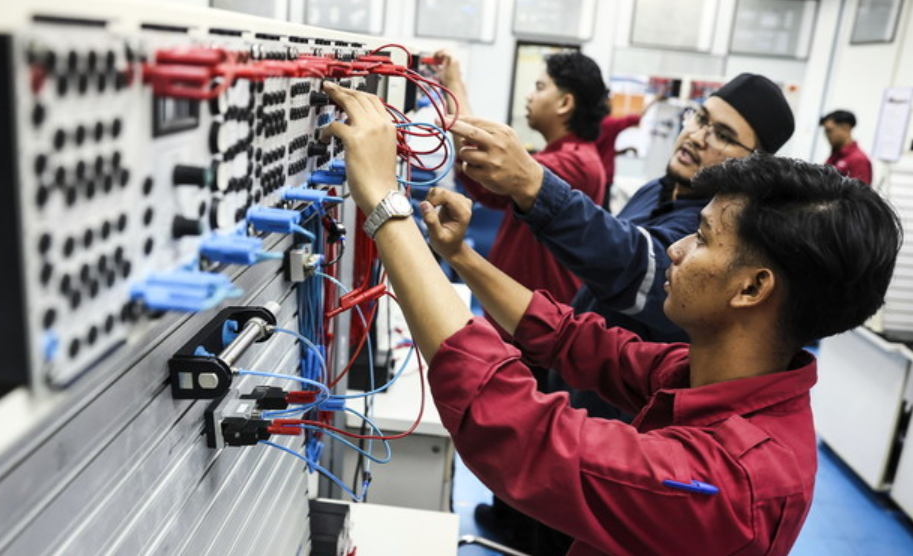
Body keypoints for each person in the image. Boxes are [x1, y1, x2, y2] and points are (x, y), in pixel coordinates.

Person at [321, 81, 902, 556]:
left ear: (752, 288)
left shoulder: (728, 482)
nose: (677, 250)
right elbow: (577, 339)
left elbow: (522, 433)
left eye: (701, 239)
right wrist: (463, 258)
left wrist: (384, 203)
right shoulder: (714, 376)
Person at [436, 50, 608, 315]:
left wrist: (454, 84)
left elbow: (481, 163)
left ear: (565, 103)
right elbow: (489, 190)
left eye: (540, 87)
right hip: (519, 314)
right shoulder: (560, 156)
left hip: (541, 319)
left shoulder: (575, 163)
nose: (529, 96)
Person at [595, 92, 663, 212]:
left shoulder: (593, 125)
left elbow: (602, 151)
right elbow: (636, 117)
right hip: (605, 176)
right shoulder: (609, 124)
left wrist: (624, 151)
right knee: (603, 210)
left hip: (595, 174)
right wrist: (654, 100)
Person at [820, 110, 873, 185]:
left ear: (845, 127)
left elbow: (859, 191)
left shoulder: (858, 160)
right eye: (825, 131)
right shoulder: (835, 155)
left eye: (829, 130)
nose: (827, 135)